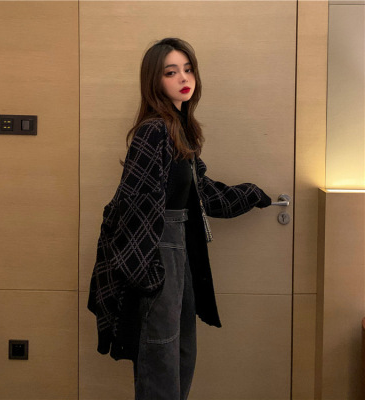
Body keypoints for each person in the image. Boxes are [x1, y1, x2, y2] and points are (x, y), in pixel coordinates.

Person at [87, 37, 272, 400]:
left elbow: (204, 194)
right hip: (157, 255)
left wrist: (251, 194)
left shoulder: (178, 129)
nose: (184, 78)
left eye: (188, 70)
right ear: (154, 81)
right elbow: (134, 207)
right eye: (171, 72)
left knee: (180, 353)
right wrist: (148, 276)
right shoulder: (153, 130)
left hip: (177, 252)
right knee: (160, 359)